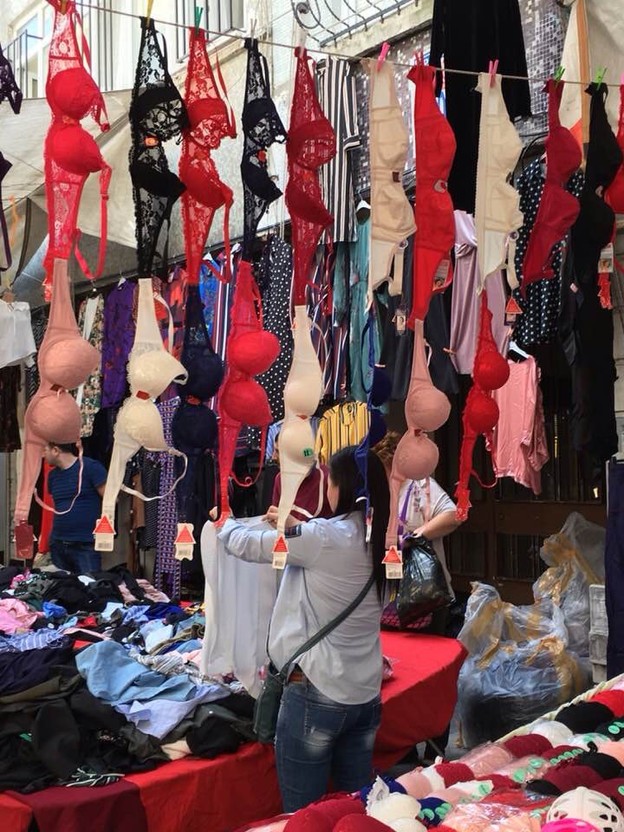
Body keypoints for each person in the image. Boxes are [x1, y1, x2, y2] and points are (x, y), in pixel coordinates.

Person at [218, 446, 390, 812]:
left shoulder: (324, 537)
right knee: (357, 809)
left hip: (318, 692)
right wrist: (295, 526)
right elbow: (317, 544)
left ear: (342, 487)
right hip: (365, 693)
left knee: (304, 815)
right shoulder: (380, 537)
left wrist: (224, 522)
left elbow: (246, 544)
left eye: (331, 481)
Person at [373, 430, 463, 602]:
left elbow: (453, 515)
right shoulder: (375, 493)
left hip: (424, 592)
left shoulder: (419, 485)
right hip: (389, 592)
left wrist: (412, 538)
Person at [43, 442, 107, 573]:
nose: (43, 455)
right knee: (62, 584)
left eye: (45, 450)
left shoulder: (91, 467)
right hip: (58, 543)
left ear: (55, 450)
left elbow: (111, 500)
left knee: (89, 583)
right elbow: (57, 505)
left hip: (85, 544)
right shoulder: (52, 476)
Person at [268, 430, 333, 523]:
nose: (273, 457)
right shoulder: (280, 479)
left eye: (279, 451)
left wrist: (295, 524)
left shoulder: (328, 479)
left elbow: (338, 527)